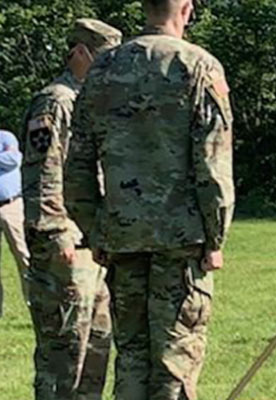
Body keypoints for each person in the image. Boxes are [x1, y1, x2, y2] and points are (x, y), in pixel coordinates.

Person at [64, 1, 235, 399]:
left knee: (132, 360)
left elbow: (78, 168)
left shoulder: (103, 69)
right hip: (181, 241)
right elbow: (213, 166)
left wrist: (97, 231)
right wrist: (215, 237)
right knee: (174, 362)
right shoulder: (199, 66)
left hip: (122, 240)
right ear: (187, 10)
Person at [22, 19, 121, 400]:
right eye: (100, 58)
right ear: (80, 53)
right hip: (64, 245)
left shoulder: (90, 100)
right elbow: (43, 171)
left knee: (95, 347)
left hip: (92, 240)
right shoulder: (57, 101)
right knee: (64, 353)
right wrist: (56, 231)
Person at [0, 128, 30, 317]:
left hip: (11, 206)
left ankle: (34, 305)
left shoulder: (5, 137)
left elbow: (13, 160)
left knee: (24, 256)